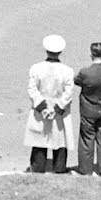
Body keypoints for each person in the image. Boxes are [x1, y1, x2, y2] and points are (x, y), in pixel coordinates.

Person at [24, 35, 76, 174]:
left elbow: (32, 89)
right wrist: (58, 108)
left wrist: (42, 107)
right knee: (59, 140)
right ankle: (59, 168)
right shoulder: (68, 70)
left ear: (46, 51)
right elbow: (68, 92)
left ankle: (38, 167)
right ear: (60, 52)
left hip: (42, 109)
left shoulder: (36, 68)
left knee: (39, 138)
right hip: (58, 111)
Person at [75, 42, 101, 177]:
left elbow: (77, 81)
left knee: (87, 139)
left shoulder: (85, 72)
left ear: (91, 54)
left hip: (88, 109)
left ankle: (85, 169)